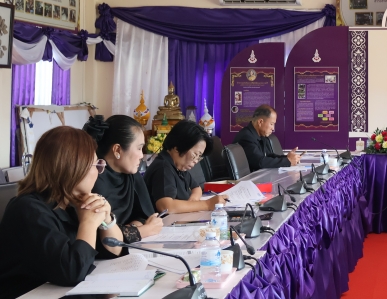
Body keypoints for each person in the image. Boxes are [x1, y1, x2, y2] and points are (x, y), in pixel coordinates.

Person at [0, 127, 123, 299]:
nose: (99, 172)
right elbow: (72, 271)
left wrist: (106, 219)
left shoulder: (71, 202)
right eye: (96, 165)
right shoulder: (27, 209)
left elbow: (113, 251)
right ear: (73, 168)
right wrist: (88, 223)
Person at [84, 115, 164, 244]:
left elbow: (146, 216)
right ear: (117, 150)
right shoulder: (94, 179)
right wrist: (144, 231)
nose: (141, 156)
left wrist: (132, 228)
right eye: (139, 148)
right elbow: (103, 237)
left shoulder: (130, 174)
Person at [143, 120, 228, 213]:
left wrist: (192, 203)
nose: (196, 161)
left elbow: (196, 188)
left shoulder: (179, 167)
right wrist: (207, 204)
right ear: (177, 147)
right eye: (195, 155)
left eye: (199, 157)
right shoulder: (163, 168)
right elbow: (166, 207)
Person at [234, 105, 301, 171]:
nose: (273, 128)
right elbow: (259, 162)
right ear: (260, 122)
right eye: (271, 124)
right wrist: (287, 161)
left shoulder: (260, 135)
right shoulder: (246, 137)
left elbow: (268, 156)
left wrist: (287, 158)